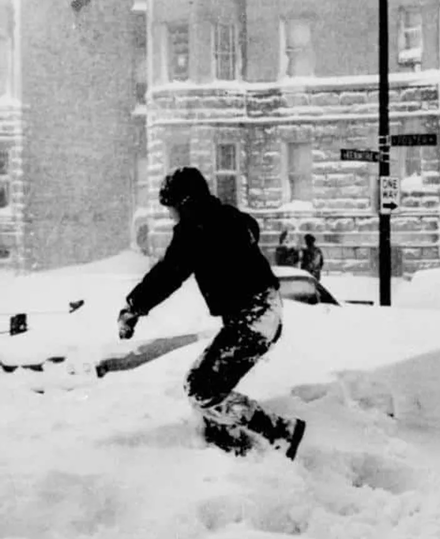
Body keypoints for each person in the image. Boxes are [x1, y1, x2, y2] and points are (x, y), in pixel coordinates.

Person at [117, 166, 306, 460]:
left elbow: (169, 273)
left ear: (186, 203)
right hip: (260, 313)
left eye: (172, 209)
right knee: (203, 385)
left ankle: (279, 431)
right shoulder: (225, 217)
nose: (171, 217)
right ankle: (228, 440)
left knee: (201, 387)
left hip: (253, 317)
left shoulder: (197, 228)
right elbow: (249, 228)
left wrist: (134, 307)